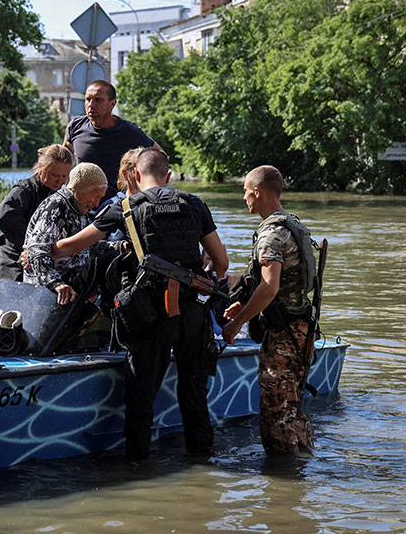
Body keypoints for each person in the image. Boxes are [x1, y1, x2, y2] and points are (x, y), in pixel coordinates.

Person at [47, 148, 228, 459]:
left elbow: (70, 247)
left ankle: (137, 468)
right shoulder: (195, 204)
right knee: (195, 395)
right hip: (192, 316)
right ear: (168, 177)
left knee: (141, 397)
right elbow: (221, 262)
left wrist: (38, 250)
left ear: (135, 176)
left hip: (149, 316)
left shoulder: (126, 208)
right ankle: (202, 463)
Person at [221, 166, 317, 456]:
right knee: (291, 410)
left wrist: (238, 322)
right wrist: (249, 305)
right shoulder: (291, 225)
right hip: (301, 330)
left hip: (283, 339)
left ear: (258, 191)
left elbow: (270, 287)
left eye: (245, 191)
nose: (244, 197)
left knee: (278, 416)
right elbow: (281, 288)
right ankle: (302, 475)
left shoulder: (271, 234)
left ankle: (283, 487)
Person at [24, 162, 117, 305]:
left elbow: (88, 247)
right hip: (47, 288)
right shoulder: (56, 206)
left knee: (115, 258)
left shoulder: (80, 209)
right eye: (95, 196)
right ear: (80, 190)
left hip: (74, 282)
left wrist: (119, 246)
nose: (97, 204)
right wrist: (57, 284)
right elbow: (37, 250)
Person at [63, 80, 162, 201]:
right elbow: (64, 159)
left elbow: (159, 155)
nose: (91, 105)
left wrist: (141, 185)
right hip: (82, 205)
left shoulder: (129, 131)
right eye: (88, 99)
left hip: (115, 207)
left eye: (98, 100)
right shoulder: (76, 126)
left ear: (112, 104)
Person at [0, 144, 74, 281]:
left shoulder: (64, 194)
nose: (59, 181)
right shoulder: (25, 190)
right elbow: (4, 215)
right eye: (54, 175)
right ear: (41, 168)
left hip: (45, 260)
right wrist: (32, 245)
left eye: (64, 176)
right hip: (14, 261)